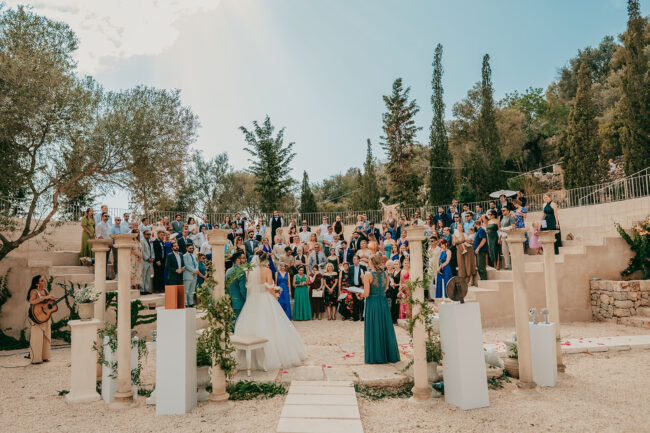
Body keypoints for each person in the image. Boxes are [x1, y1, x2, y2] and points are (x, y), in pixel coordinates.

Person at [234, 251, 306, 370]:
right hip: (265, 299)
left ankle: (250, 358)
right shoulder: (267, 271)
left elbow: (250, 286)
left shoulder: (250, 271)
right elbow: (270, 287)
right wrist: (276, 295)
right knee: (273, 325)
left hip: (253, 300)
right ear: (264, 260)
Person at [362, 255, 400, 364]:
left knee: (374, 327)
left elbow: (366, 293)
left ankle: (376, 356)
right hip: (382, 302)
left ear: (372, 263)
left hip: (372, 303)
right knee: (384, 326)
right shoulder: (386, 274)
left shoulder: (368, 275)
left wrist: (358, 294)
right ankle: (388, 355)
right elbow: (386, 288)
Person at [27, 275, 52, 364]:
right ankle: (36, 358)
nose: (44, 281)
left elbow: (47, 303)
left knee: (46, 335)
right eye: (42, 280)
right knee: (37, 337)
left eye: (44, 279)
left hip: (45, 316)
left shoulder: (45, 290)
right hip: (36, 317)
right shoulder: (34, 291)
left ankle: (45, 356)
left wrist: (51, 300)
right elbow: (32, 301)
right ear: (37, 283)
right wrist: (44, 298)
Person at [226, 251, 247, 320]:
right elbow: (243, 290)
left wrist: (228, 298)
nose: (245, 260)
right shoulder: (241, 271)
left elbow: (226, 287)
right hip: (240, 303)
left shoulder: (228, 271)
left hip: (231, 303)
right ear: (238, 260)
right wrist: (247, 300)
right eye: (243, 258)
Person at [141, 230, 154, 294]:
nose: (148, 235)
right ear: (143, 235)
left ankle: (146, 289)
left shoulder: (150, 241)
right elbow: (142, 251)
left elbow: (152, 250)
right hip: (145, 261)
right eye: (147, 234)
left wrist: (153, 258)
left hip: (150, 261)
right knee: (143, 275)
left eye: (149, 234)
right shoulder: (142, 241)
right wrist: (147, 258)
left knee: (148, 276)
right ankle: (142, 289)